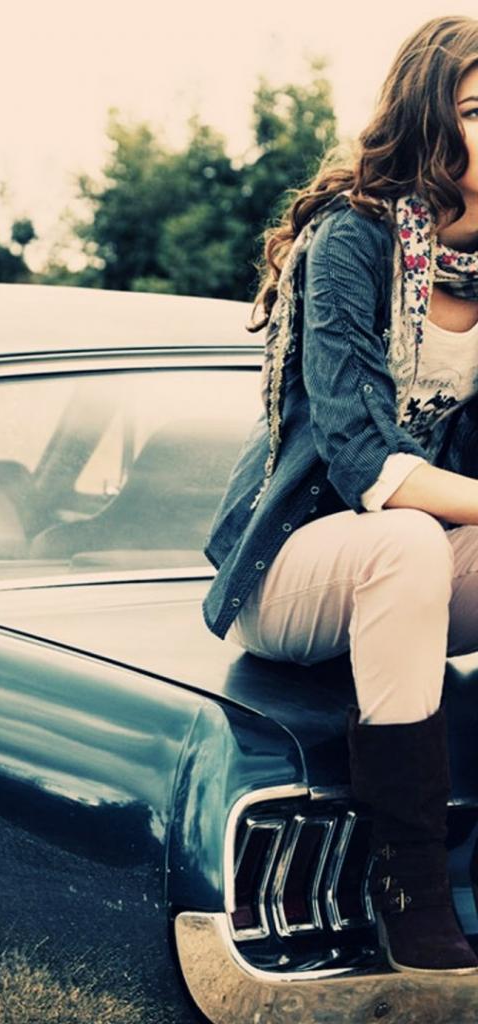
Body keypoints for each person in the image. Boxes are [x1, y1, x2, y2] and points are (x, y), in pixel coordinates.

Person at [202, 15, 478, 974]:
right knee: (403, 538)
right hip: (297, 565)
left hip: (417, 571)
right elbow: (362, 462)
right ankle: (410, 888)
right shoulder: (352, 241)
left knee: (414, 544)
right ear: (429, 118)